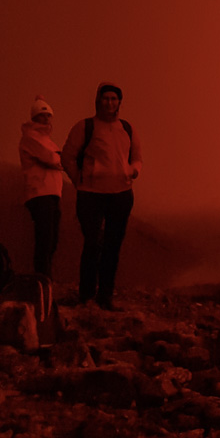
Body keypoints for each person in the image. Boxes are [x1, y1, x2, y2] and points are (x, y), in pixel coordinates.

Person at [61, 83, 142, 310]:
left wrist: (133, 171)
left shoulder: (127, 128)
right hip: (91, 195)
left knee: (112, 246)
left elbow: (137, 157)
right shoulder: (85, 127)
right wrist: (79, 180)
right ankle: (86, 295)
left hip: (121, 194)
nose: (110, 103)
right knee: (92, 243)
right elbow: (67, 156)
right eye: (106, 98)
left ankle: (105, 296)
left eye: (114, 99)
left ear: (119, 102)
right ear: (98, 100)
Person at [19, 97, 64, 278]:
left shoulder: (47, 140)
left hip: (52, 192)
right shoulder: (30, 138)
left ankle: (45, 278)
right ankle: (41, 278)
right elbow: (51, 158)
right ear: (34, 117)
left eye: (48, 115)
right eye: (42, 115)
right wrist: (60, 157)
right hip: (39, 193)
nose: (46, 119)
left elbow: (56, 159)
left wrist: (59, 157)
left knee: (51, 240)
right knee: (44, 240)